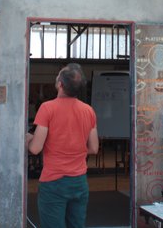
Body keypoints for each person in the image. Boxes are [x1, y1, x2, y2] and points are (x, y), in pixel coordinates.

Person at [26, 63, 99, 228]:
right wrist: (74, 149)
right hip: (79, 181)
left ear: (60, 84)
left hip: (54, 181)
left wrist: (28, 138)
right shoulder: (88, 110)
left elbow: (35, 148)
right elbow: (94, 148)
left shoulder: (47, 108)